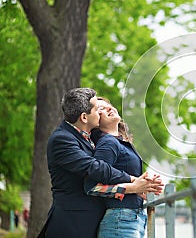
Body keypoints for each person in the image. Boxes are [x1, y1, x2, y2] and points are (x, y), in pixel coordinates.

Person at [40, 88, 162, 238]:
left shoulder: (89, 139)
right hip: (73, 225)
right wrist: (133, 182)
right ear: (84, 117)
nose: (102, 111)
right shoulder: (62, 139)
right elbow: (95, 168)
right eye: (98, 109)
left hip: (94, 222)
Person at [84, 97, 162, 238]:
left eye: (108, 105)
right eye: (100, 108)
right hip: (121, 220)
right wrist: (134, 187)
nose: (108, 108)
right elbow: (92, 186)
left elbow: (114, 177)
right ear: (94, 120)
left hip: (132, 219)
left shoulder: (119, 142)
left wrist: (143, 187)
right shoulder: (108, 143)